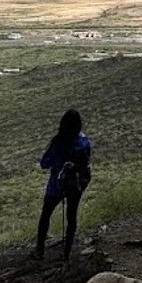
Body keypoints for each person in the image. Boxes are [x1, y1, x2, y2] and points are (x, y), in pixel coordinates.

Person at [35, 108, 92, 260]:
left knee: (46, 214)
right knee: (71, 216)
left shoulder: (58, 142)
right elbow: (86, 161)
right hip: (76, 184)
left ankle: (39, 250)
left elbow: (44, 163)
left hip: (56, 185)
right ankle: (67, 252)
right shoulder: (84, 141)